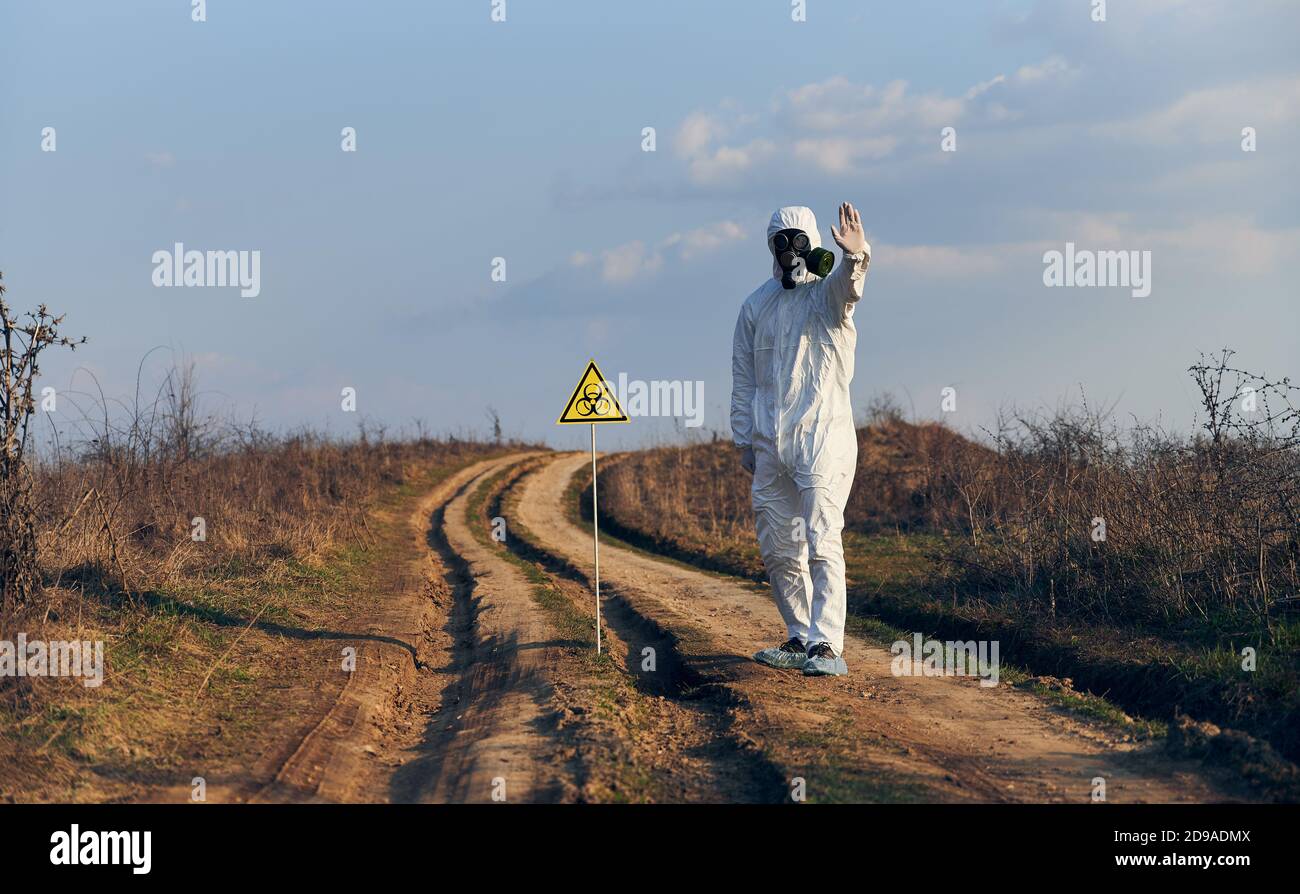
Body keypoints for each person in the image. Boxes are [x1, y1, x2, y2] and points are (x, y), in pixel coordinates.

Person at [730, 203, 871, 677]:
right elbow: (743, 378)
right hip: (771, 442)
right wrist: (744, 439)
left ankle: (826, 644)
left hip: (823, 439)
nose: (791, 252)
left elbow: (849, 290)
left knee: (822, 539)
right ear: (771, 246)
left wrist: (854, 257)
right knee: (777, 547)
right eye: (782, 242)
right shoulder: (756, 306)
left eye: (799, 242)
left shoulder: (825, 295)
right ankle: (798, 636)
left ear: (811, 244)